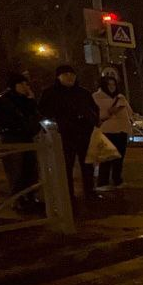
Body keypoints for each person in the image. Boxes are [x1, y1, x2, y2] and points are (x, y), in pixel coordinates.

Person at [38, 64, 99, 200]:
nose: (70, 77)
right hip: (63, 135)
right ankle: (68, 194)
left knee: (87, 165)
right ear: (58, 77)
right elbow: (43, 111)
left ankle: (90, 191)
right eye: (66, 74)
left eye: (72, 74)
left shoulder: (83, 92)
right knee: (66, 166)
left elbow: (94, 109)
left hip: (84, 134)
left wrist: (92, 121)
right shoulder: (50, 93)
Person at [0, 72, 43, 211]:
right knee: (15, 169)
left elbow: (36, 114)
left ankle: (31, 197)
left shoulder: (27, 100)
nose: (25, 87)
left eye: (26, 84)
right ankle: (18, 199)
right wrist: (10, 126)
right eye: (21, 84)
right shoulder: (2, 101)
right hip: (12, 137)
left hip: (28, 137)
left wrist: (31, 102)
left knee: (30, 168)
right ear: (13, 85)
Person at [92, 74, 134, 190]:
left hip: (122, 129)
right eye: (109, 84)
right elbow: (94, 114)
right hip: (106, 130)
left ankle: (117, 180)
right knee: (106, 157)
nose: (112, 87)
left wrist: (130, 119)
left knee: (119, 158)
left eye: (113, 84)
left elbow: (129, 111)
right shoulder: (96, 97)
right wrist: (109, 112)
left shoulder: (120, 97)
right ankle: (103, 182)